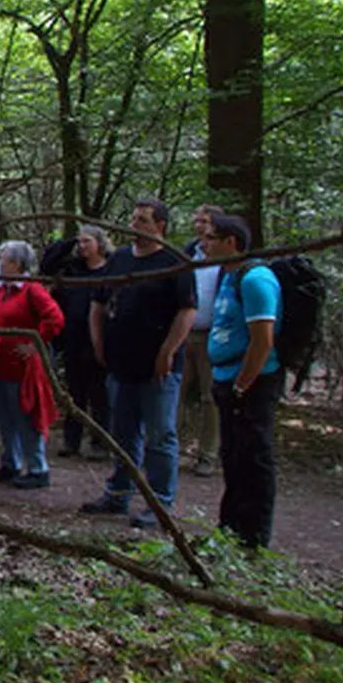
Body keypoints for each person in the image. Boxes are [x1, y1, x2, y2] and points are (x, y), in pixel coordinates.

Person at [80, 197, 197, 528]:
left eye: (142, 220)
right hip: (120, 362)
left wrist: (167, 351)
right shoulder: (118, 259)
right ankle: (118, 493)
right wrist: (99, 341)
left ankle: (160, 504)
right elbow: (98, 303)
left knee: (160, 436)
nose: (134, 225)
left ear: (159, 225)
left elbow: (186, 311)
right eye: (133, 218)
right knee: (122, 432)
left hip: (158, 368)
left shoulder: (176, 262)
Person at [204, 214, 283, 548]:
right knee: (232, 455)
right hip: (225, 379)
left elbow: (262, 341)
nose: (202, 243)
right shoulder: (228, 276)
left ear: (230, 242)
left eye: (209, 237)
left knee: (254, 457)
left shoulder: (256, 279)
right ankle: (230, 527)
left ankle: (254, 538)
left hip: (253, 384)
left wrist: (242, 385)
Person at [0, 241, 65, 489]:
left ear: (16, 264)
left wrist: (35, 342)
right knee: (4, 417)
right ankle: (11, 462)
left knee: (26, 417)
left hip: (22, 367)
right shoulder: (0, 289)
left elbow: (55, 318)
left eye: (3, 259)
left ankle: (38, 468)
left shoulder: (32, 290)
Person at [56, 225, 112, 459]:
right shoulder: (73, 269)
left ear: (100, 243)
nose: (82, 247)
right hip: (73, 339)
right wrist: (70, 241)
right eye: (79, 242)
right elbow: (49, 261)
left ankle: (100, 443)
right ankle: (71, 440)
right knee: (74, 392)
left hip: (99, 340)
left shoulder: (110, 270)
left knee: (100, 394)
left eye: (87, 241)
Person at [181, 204, 225, 476]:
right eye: (197, 221)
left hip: (213, 336)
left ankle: (207, 455)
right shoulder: (187, 255)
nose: (200, 226)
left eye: (206, 222)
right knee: (176, 392)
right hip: (184, 334)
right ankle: (175, 448)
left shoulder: (227, 259)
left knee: (211, 398)